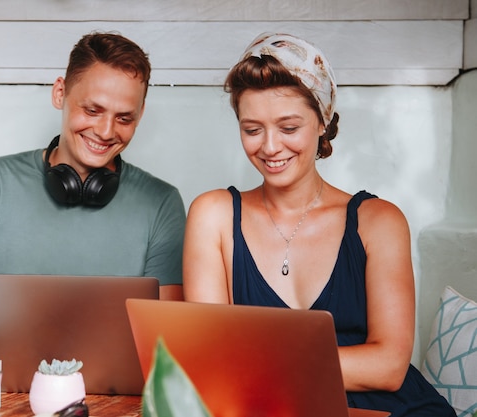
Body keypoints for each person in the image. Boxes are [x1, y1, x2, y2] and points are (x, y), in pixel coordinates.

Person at [183, 33, 455, 416]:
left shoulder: (379, 221)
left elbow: (390, 367)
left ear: (322, 123)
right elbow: (209, 358)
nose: (270, 146)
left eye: (289, 128)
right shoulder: (213, 215)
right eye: (252, 129)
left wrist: (256, 366)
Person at [0, 32, 186, 300]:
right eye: (92, 111)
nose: (106, 132)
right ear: (60, 93)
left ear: (140, 114)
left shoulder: (163, 203)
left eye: (124, 118)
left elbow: (165, 335)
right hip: (7, 345)